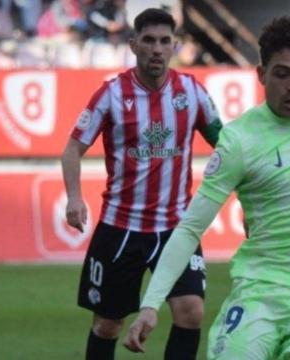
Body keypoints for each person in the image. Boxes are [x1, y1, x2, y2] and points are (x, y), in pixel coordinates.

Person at [123, 15, 290, 359]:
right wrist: (151, 303)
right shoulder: (240, 140)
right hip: (260, 295)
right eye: (282, 74)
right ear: (262, 74)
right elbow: (191, 227)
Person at [61, 8, 222, 360]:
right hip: (121, 228)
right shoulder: (112, 94)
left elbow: (225, 145)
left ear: (175, 46)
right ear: (134, 45)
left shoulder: (191, 92)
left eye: (165, 41)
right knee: (108, 325)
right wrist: (74, 198)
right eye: (149, 40)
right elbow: (73, 148)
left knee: (191, 312)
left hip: (176, 228)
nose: (157, 49)